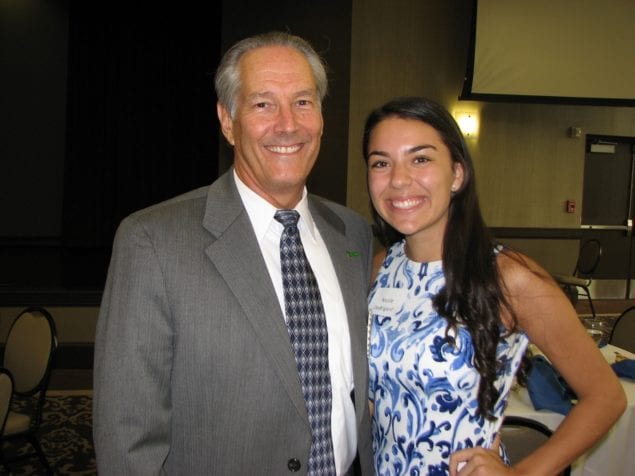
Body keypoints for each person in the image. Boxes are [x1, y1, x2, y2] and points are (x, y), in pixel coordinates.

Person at [93, 31, 374, 475]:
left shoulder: (353, 234)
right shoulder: (152, 241)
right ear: (227, 121)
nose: (288, 124)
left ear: (322, 117)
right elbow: (127, 436)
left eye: (303, 102)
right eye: (263, 104)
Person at [363, 96, 626, 475]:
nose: (399, 179)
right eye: (381, 163)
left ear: (457, 173)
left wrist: (522, 474)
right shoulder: (380, 267)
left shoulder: (506, 276)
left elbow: (605, 397)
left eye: (420, 159)